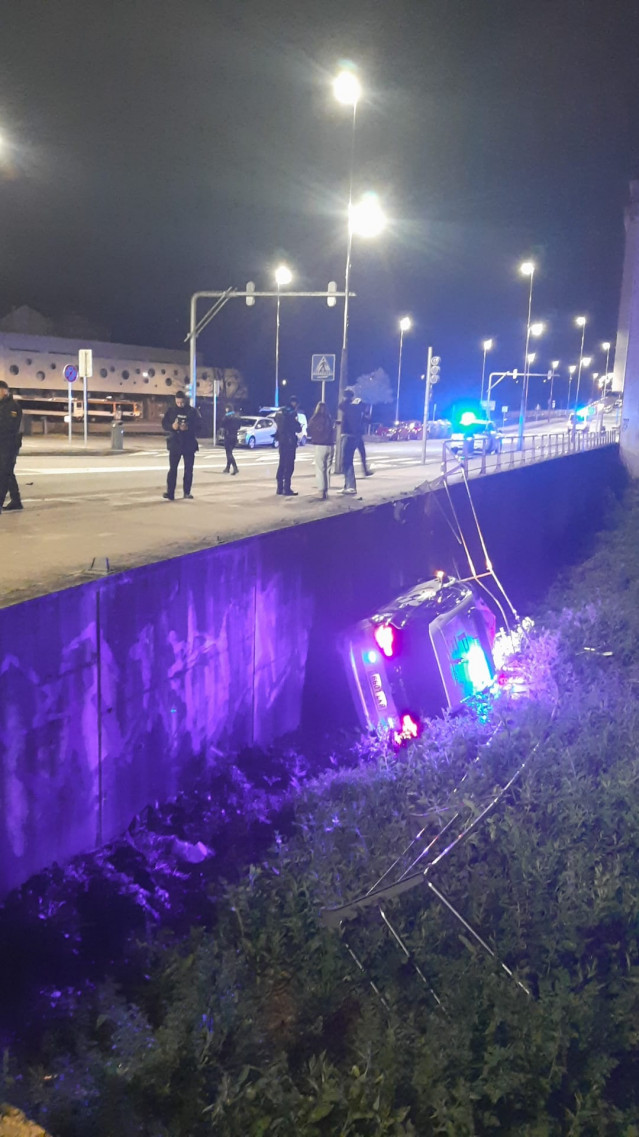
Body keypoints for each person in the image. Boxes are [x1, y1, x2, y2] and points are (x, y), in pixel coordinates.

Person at [161, 391, 202, 500]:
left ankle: (187, 492)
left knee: (188, 470)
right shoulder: (171, 411)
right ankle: (170, 493)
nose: (180, 405)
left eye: (182, 403)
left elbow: (200, 426)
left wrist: (188, 427)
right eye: (178, 402)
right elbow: (164, 424)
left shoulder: (192, 411)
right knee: (172, 469)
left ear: (185, 401)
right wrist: (172, 426)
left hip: (189, 444)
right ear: (175, 400)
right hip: (175, 443)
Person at [338, 388, 373, 494]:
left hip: (349, 435)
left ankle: (351, 486)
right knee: (349, 460)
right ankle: (347, 485)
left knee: (347, 461)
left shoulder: (347, 405)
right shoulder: (357, 406)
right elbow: (367, 416)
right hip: (356, 435)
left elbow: (341, 406)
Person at [0, 380, 23, 514]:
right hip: (3, 444)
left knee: (3, 473)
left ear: (4, 391)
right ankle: (16, 500)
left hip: (9, 445)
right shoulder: (2, 405)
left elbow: (9, 427)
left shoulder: (12, 407)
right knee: (7, 472)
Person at [274, 395, 302, 496]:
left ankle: (279, 488)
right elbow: (296, 428)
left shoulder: (280, 411)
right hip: (289, 442)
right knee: (289, 465)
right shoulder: (291, 412)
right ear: (294, 403)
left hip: (281, 441)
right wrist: (298, 426)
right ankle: (287, 488)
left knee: (281, 464)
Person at [307, 400, 334, 500]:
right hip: (330, 445)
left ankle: (321, 491)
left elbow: (309, 430)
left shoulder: (315, 419)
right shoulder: (329, 419)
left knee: (320, 468)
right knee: (327, 469)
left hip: (320, 445)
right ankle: (326, 490)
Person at [220, 407, 240, 474]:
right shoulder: (237, 416)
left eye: (226, 408)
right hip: (235, 436)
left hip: (228, 436)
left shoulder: (227, 416)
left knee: (229, 453)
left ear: (228, 409)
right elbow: (239, 426)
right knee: (230, 452)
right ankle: (227, 468)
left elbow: (222, 424)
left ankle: (235, 468)